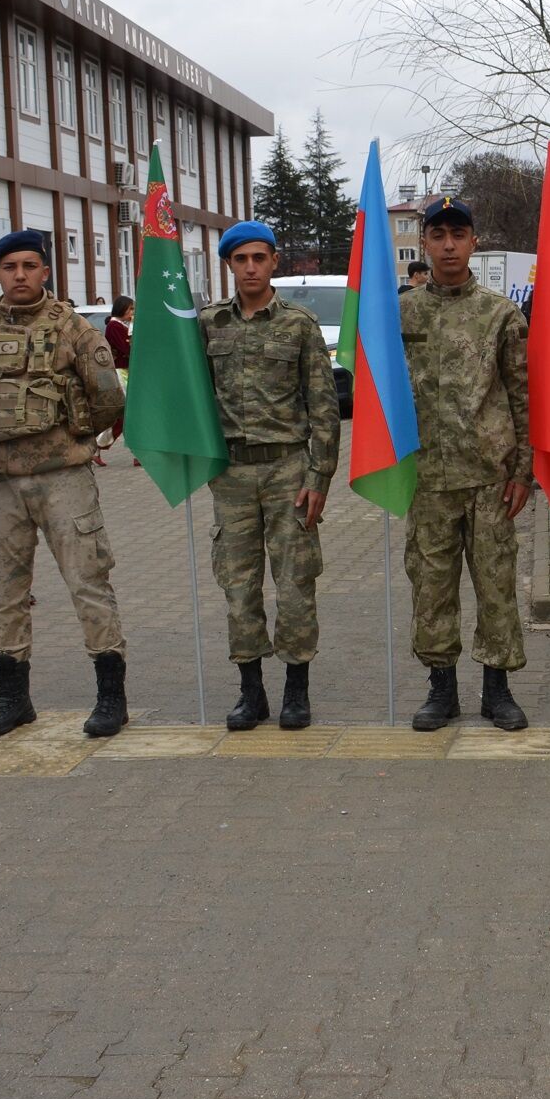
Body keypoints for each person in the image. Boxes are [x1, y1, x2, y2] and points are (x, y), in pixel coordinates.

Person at [0, 230, 131, 739]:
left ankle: (110, 698)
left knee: (88, 584)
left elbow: (108, 398)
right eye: (10, 268)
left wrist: (75, 440)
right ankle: (13, 699)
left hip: (62, 480)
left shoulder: (73, 328)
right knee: (6, 590)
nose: (20, 275)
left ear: (45, 271)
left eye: (30, 266)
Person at [200, 222, 342, 731]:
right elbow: (191, 397)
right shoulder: (209, 324)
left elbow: (323, 408)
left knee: (295, 583)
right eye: (242, 259)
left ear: (275, 261)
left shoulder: (299, 325)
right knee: (238, 586)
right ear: (230, 265)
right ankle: (251, 691)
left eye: (260, 257)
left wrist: (319, 476)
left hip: (288, 470)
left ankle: (296, 690)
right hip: (232, 472)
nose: (252, 267)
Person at [400, 196, 533, 731]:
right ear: (426, 243)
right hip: (427, 476)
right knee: (431, 585)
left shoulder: (500, 313)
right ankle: (442, 689)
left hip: (488, 476)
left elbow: (523, 394)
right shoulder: (401, 311)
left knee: (496, 584)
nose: (449, 244)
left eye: (459, 234)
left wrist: (524, 470)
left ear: (474, 242)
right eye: (439, 235)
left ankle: (497, 690)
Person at [96, 295, 134, 465]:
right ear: (122, 309)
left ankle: (136, 452)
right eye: (130, 309)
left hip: (126, 371)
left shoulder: (121, 325)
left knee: (128, 413)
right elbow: (127, 348)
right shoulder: (114, 326)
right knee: (125, 412)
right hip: (120, 373)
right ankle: (97, 443)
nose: (133, 312)